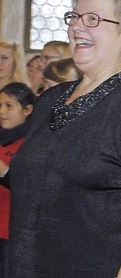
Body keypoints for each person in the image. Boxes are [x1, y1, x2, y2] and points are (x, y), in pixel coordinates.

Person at [3, 0, 121, 277]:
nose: (76, 26)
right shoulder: (50, 100)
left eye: (93, 19)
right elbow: (32, 183)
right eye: (75, 16)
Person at [0, 83, 35, 278]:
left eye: (9, 106)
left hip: (11, 234)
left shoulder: (30, 143)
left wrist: (4, 171)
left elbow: (29, 188)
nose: (2, 112)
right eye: (0, 105)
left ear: (27, 110)